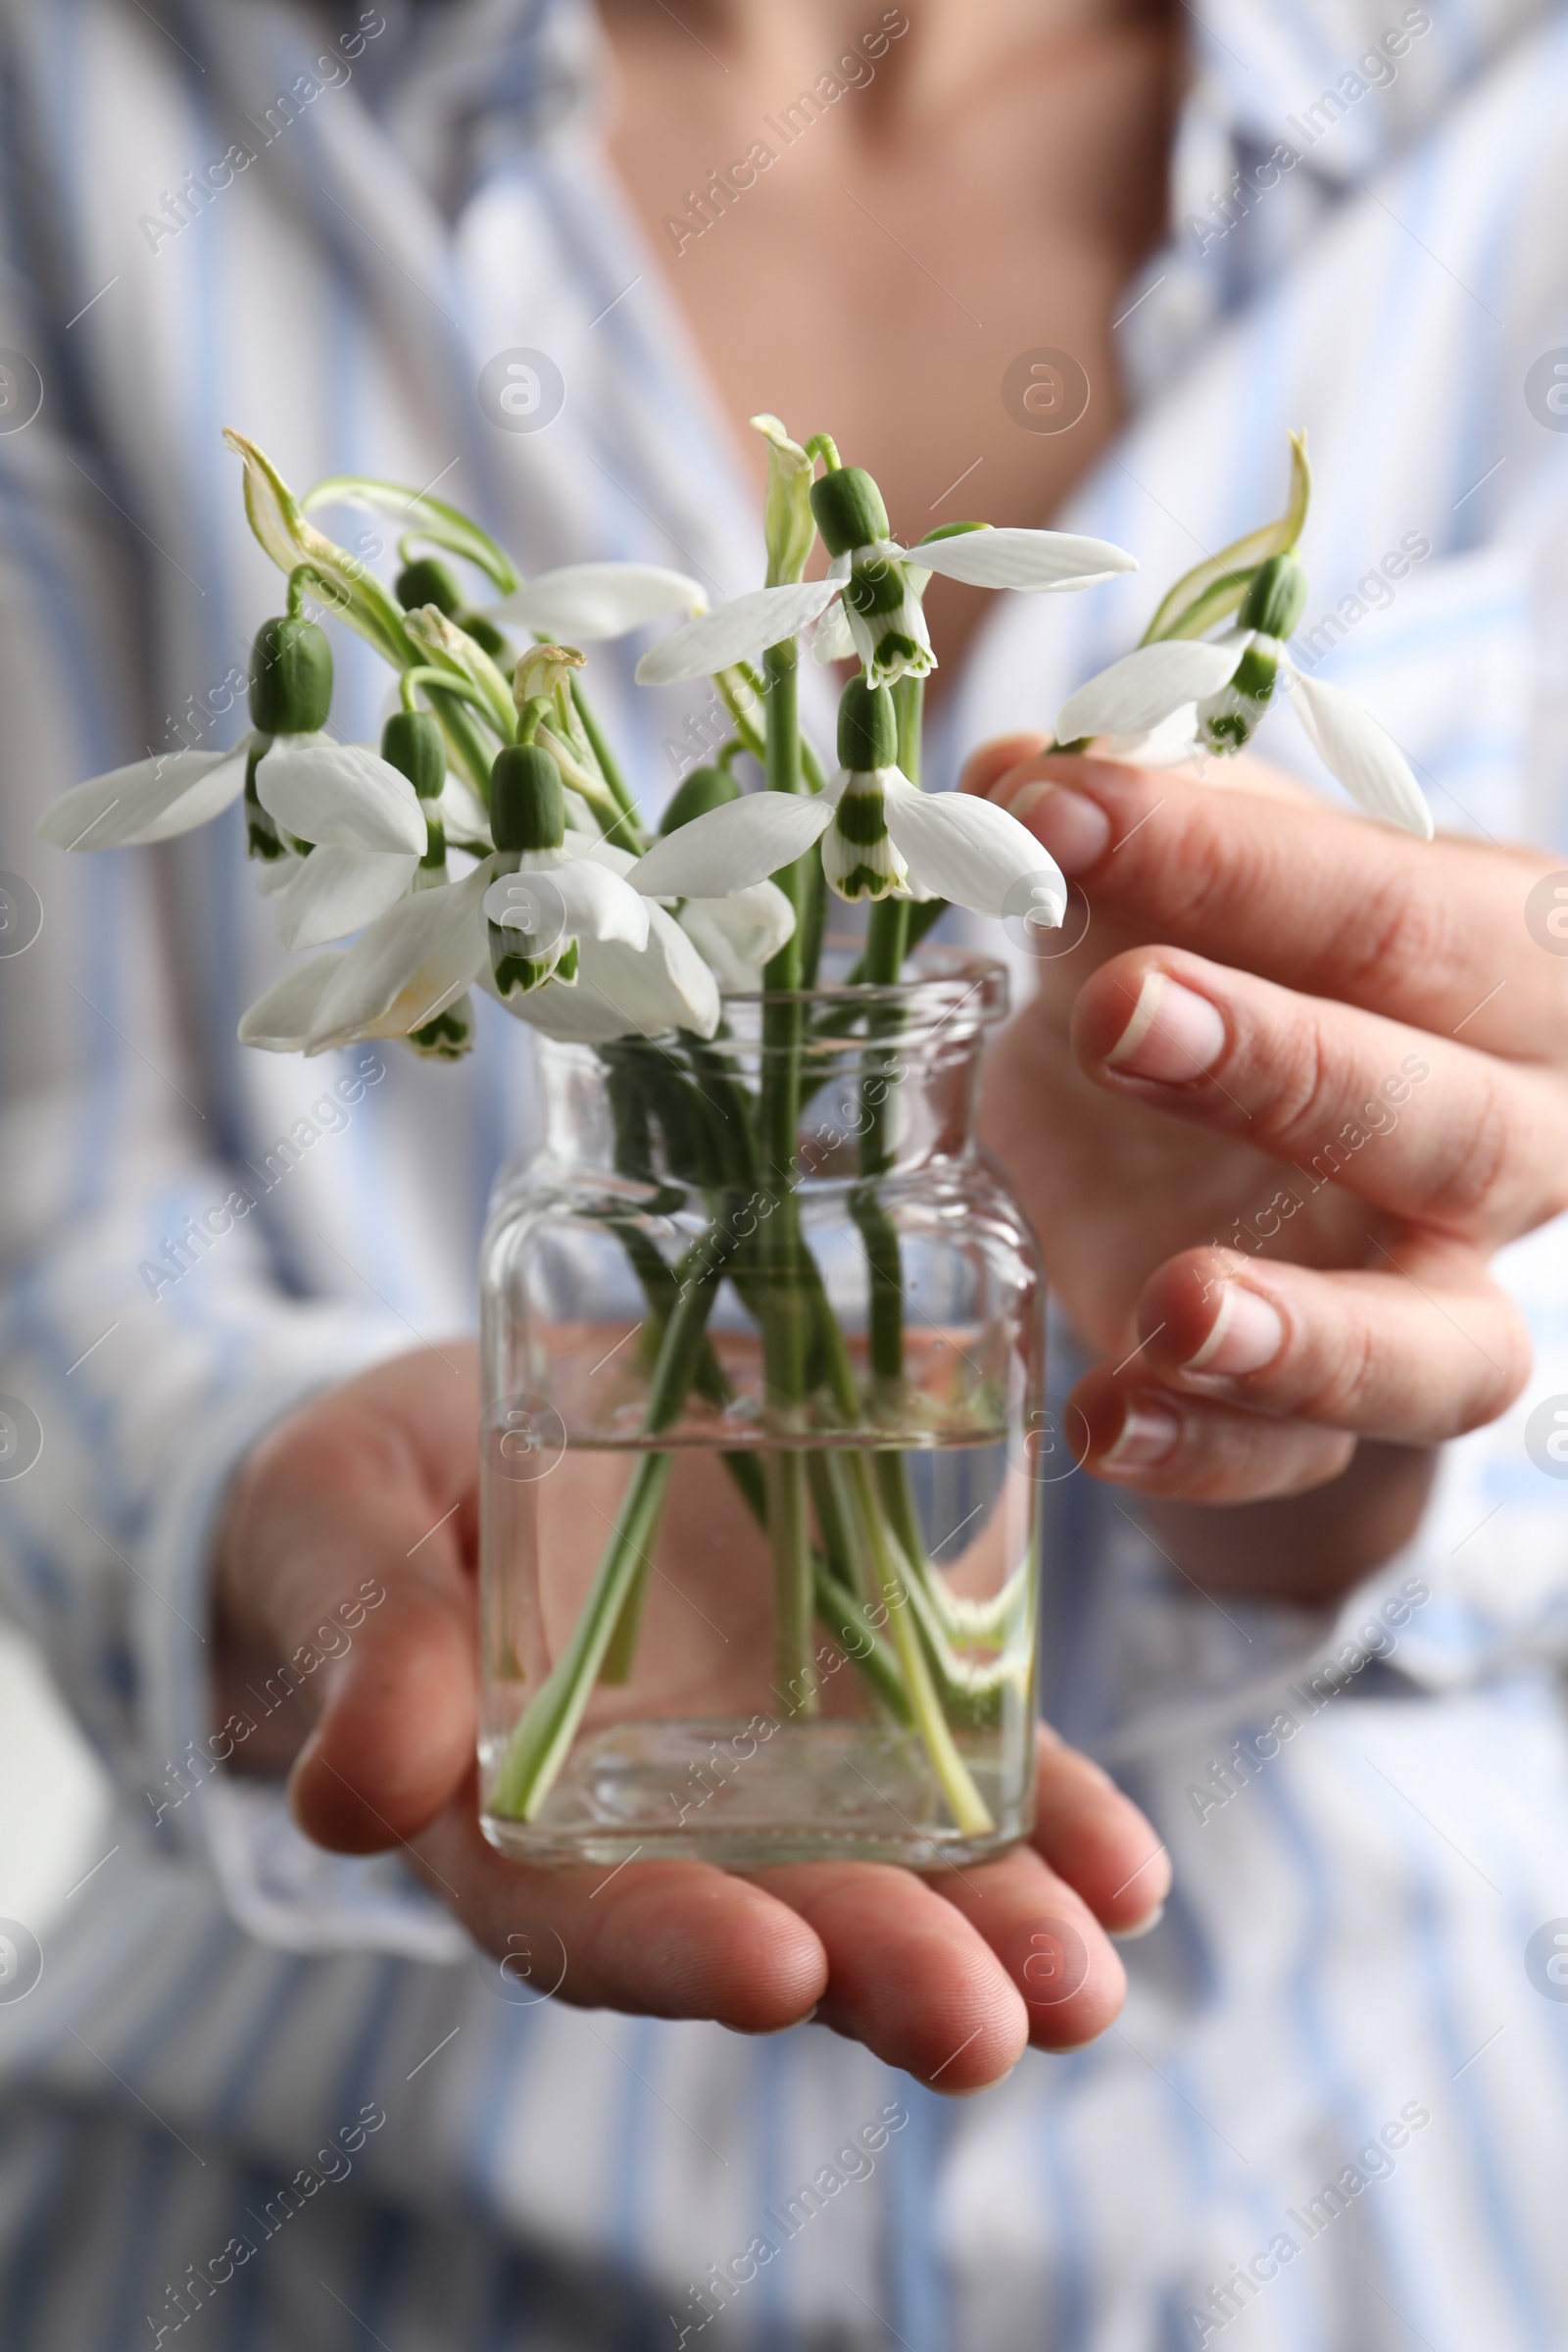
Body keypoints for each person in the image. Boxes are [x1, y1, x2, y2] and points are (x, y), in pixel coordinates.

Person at [2, 0, 1567, 2344]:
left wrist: (1324, 1421)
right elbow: (60, 1193)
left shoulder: (1514, 120)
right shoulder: (98, 82)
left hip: (1333, 2223)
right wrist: (270, 1511)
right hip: (316, 2231)